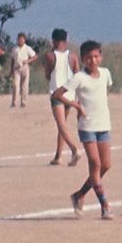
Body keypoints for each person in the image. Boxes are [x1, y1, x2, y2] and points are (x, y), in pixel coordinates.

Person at [53, 39, 114, 220]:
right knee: (95, 163)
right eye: (88, 58)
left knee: (106, 165)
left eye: (96, 56)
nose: (93, 61)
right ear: (83, 59)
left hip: (104, 124)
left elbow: (103, 93)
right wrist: (76, 106)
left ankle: (80, 194)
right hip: (87, 126)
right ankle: (104, 205)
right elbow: (57, 94)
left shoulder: (105, 74)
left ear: (101, 57)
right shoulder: (79, 77)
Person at [41, 29, 80, 166]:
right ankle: (58, 155)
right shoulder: (73, 57)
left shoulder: (50, 56)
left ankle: (74, 149)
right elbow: (77, 74)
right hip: (70, 94)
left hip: (56, 93)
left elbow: (47, 75)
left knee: (61, 125)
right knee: (62, 125)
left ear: (54, 40)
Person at [9, 32, 35, 107]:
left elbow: (35, 56)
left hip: (25, 67)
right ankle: (14, 102)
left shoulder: (27, 48)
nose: (19, 40)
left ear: (24, 40)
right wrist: (11, 70)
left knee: (25, 86)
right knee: (15, 85)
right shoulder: (14, 49)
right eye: (18, 39)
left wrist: (28, 61)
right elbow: (12, 59)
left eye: (21, 39)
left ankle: (23, 102)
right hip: (16, 68)